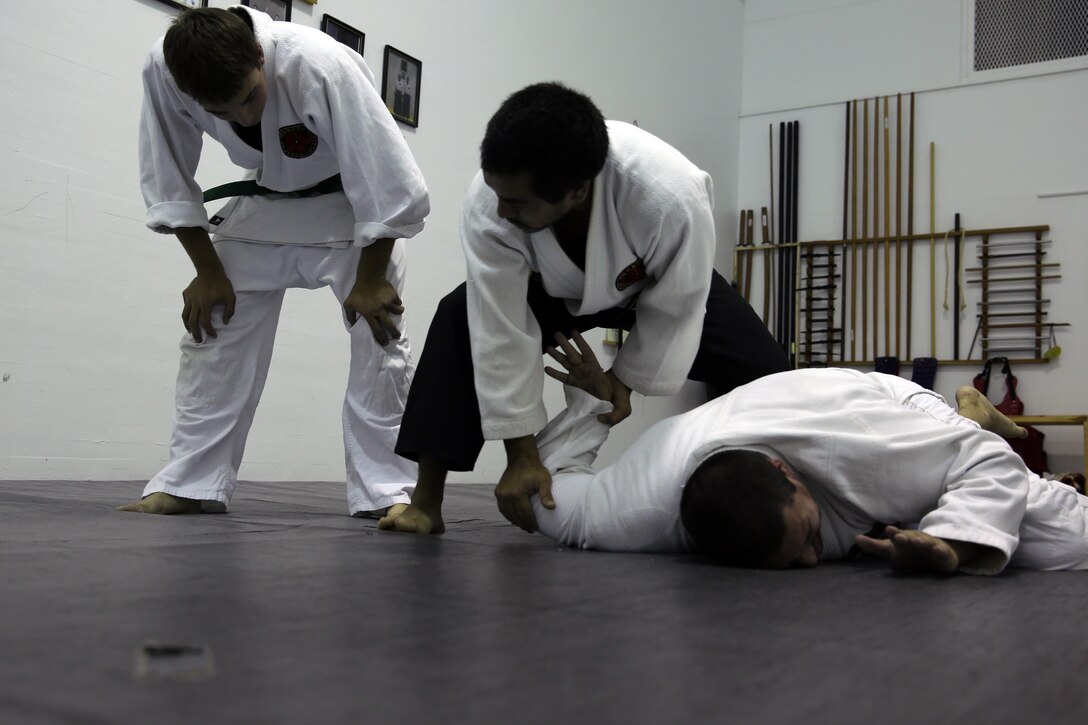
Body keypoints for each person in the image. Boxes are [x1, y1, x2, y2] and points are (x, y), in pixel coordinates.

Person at [385, 82, 789, 535]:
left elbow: (680, 299)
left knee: (766, 370)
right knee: (459, 318)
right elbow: (500, 331)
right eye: (497, 193)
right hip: (548, 286)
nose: (500, 210)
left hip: (652, 285)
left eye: (516, 202)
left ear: (577, 191)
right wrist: (522, 457)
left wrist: (623, 383)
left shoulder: (669, 195)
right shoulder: (491, 204)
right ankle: (425, 500)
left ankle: (780, 488)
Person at [120, 7, 428, 516]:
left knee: (379, 333)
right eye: (222, 112)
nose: (242, 118)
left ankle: (387, 492)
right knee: (212, 325)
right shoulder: (164, 71)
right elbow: (168, 175)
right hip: (265, 200)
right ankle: (190, 483)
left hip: (351, 208)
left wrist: (371, 279)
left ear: (260, 56)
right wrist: (208, 272)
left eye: (249, 98)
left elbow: (389, 183)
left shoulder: (319, 63)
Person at [528, 332, 1088, 575]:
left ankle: (965, 412)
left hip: (882, 404)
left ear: (787, 474)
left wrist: (956, 544)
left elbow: (986, 463)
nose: (812, 563)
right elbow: (550, 491)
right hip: (752, 424)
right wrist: (589, 406)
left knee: (1060, 539)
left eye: (810, 538)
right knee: (912, 514)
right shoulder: (634, 513)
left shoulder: (859, 443)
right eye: (796, 561)